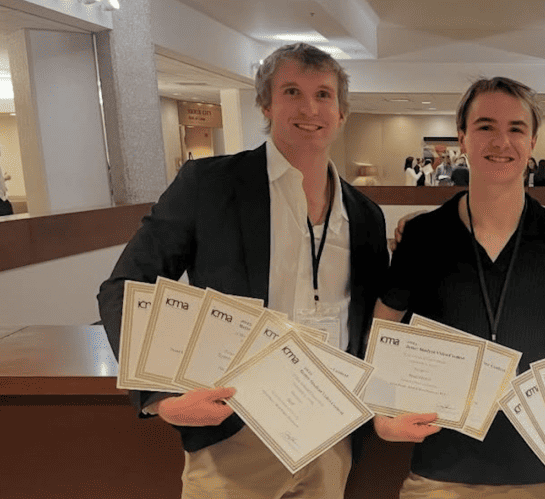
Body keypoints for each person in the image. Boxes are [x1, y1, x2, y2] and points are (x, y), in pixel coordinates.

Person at [96, 43, 389, 499]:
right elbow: (126, 286)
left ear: (341, 112)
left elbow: (375, 320)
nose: (310, 108)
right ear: (266, 105)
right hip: (235, 432)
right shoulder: (209, 186)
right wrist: (159, 394)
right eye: (292, 92)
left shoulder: (365, 214)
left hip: (330, 436)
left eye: (323, 94)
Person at [374, 76, 545, 499]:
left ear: (532, 141)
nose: (501, 141)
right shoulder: (423, 235)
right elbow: (384, 325)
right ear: (462, 136)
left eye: (516, 128)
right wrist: (381, 412)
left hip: (534, 469)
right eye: (485, 126)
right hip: (438, 469)